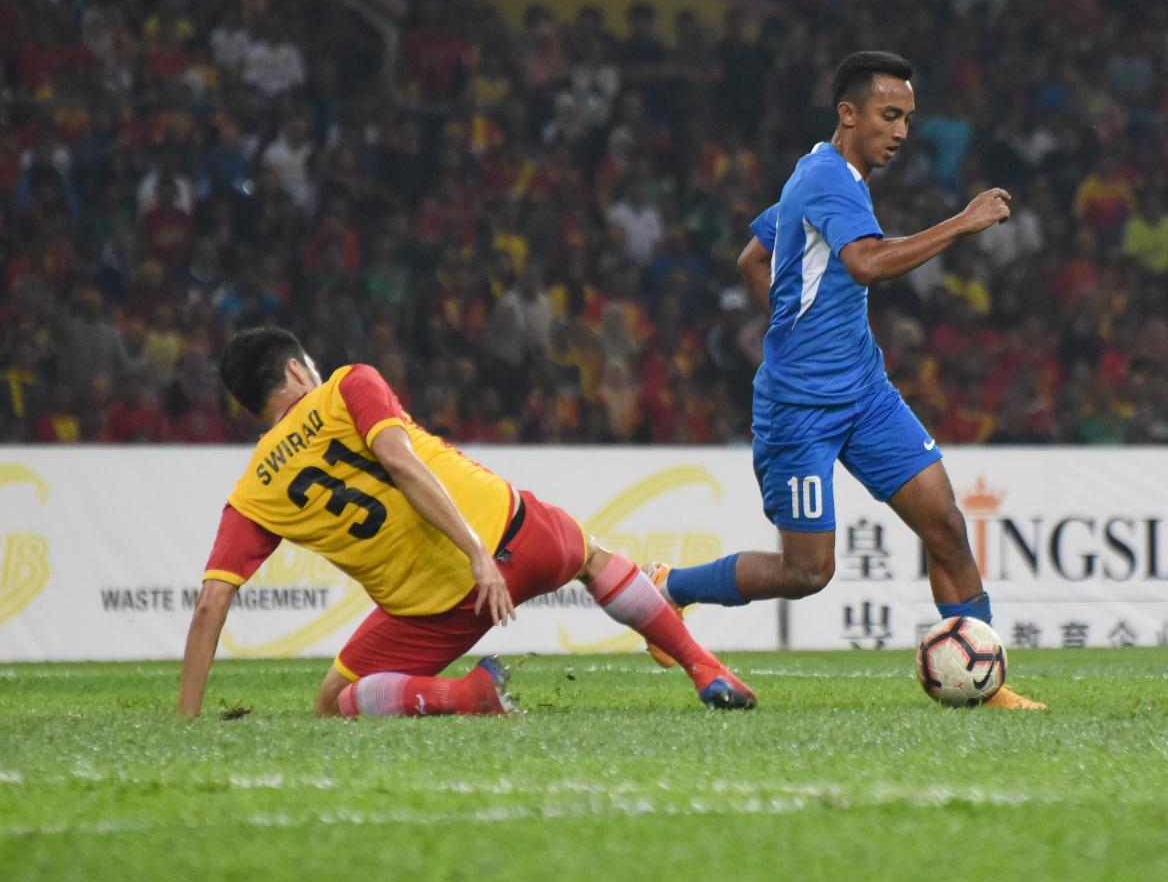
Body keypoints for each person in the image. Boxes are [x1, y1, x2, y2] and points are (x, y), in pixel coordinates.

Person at [645, 51, 1043, 710]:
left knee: (945, 524)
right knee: (808, 572)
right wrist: (961, 222)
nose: (902, 131)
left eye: (909, 118)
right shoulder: (830, 179)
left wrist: (798, 329)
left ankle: (986, 680)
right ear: (849, 114)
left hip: (863, 393)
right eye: (890, 115)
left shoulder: (829, 173)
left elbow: (755, 257)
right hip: (799, 410)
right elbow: (865, 263)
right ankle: (672, 586)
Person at [177, 328, 755, 718]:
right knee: (592, 558)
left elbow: (211, 605)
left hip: (440, 609)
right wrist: (479, 551)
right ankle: (704, 667)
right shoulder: (348, 384)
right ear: (297, 369)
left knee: (335, 701)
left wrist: (186, 720)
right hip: (517, 530)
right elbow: (400, 463)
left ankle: (462, 694)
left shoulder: (252, 490)